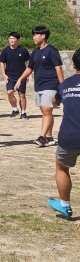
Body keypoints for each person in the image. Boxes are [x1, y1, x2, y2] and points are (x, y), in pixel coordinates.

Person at [15, 26, 65, 148]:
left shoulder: (51, 50)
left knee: (47, 110)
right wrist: (20, 79)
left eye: (36, 35)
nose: (33, 37)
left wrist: (63, 86)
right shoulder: (36, 52)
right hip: (39, 85)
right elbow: (29, 68)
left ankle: (42, 137)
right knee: (45, 111)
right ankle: (49, 137)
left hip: (50, 84)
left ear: (43, 36)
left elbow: (58, 69)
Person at [50, 47, 80, 219]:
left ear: (74, 64)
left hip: (69, 135)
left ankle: (65, 206)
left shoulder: (66, 84)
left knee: (62, 167)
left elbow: (55, 101)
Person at [0, 32, 30, 119]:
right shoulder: (5, 50)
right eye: (10, 38)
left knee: (22, 94)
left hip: (21, 76)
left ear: (17, 40)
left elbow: (28, 62)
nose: (11, 40)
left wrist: (28, 75)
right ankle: (15, 109)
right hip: (10, 76)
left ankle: (23, 112)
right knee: (9, 92)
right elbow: (1, 63)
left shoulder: (23, 50)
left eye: (13, 39)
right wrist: (4, 75)